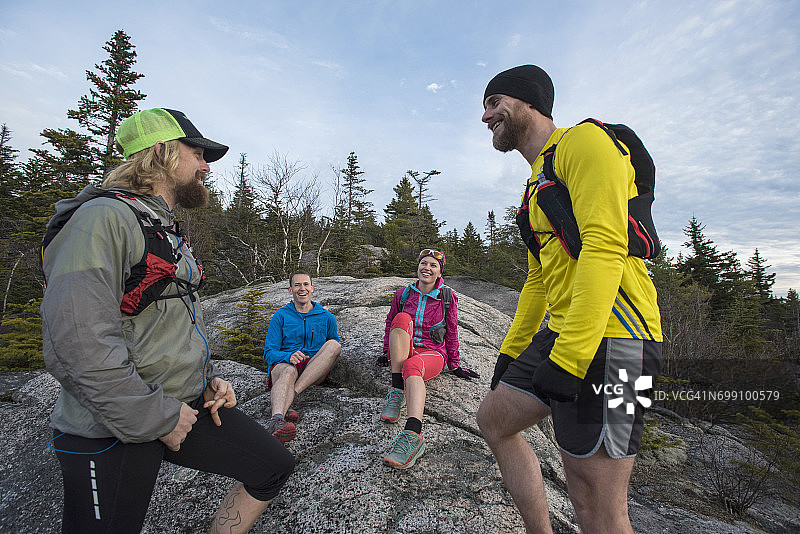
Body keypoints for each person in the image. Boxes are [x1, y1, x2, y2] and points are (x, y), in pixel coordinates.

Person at [41, 108, 294, 534]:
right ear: (160, 151)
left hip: (182, 403)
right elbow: (77, 341)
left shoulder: (159, 224)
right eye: (197, 153)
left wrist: (206, 376)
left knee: (272, 467)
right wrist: (156, 418)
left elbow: (160, 317)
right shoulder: (101, 219)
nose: (205, 166)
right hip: (114, 423)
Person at [476, 65, 662, 533]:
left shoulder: (584, 143)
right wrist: (511, 351)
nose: (485, 116)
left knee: (595, 503)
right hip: (565, 330)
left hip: (618, 340)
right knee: (494, 419)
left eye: (495, 102)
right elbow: (540, 278)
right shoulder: (537, 180)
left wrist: (572, 358)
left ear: (530, 101)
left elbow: (605, 244)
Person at [379, 249, 479, 469]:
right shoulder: (403, 294)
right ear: (418, 267)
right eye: (424, 263)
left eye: (433, 265)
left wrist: (455, 364)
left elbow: (452, 331)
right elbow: (391, 324)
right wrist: (386, 350)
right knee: (402, 318)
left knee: (413, 365)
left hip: (432, 353)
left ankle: (413, 435)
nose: (427, 268)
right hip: (405, 347)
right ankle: (397, 391)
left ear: (439, 271)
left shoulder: (446, 296)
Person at [263, 271, 341, 444]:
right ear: (290, 290)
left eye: (305, 284)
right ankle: (276, 421)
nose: (302, 288)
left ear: (312, 288)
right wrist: (287, 356)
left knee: (334, 345)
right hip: (286, 366)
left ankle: (292, 395)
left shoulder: (327, 317)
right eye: (297, 285)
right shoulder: (281, 316)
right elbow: (269, 352)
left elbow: (332, 352)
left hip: (313, 369)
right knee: (288, 371)